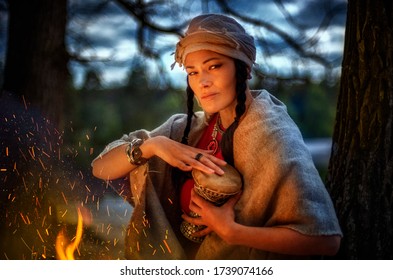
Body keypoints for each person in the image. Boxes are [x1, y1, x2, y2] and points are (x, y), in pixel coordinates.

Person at [91, 14, 342, 260]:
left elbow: (325, 240)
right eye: (193, 72)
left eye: (214, 66)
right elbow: (100, 168)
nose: (203, 82)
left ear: (243, 68)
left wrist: (233, 232)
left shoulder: (272, 134)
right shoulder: (188, 128)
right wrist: (153, 145)